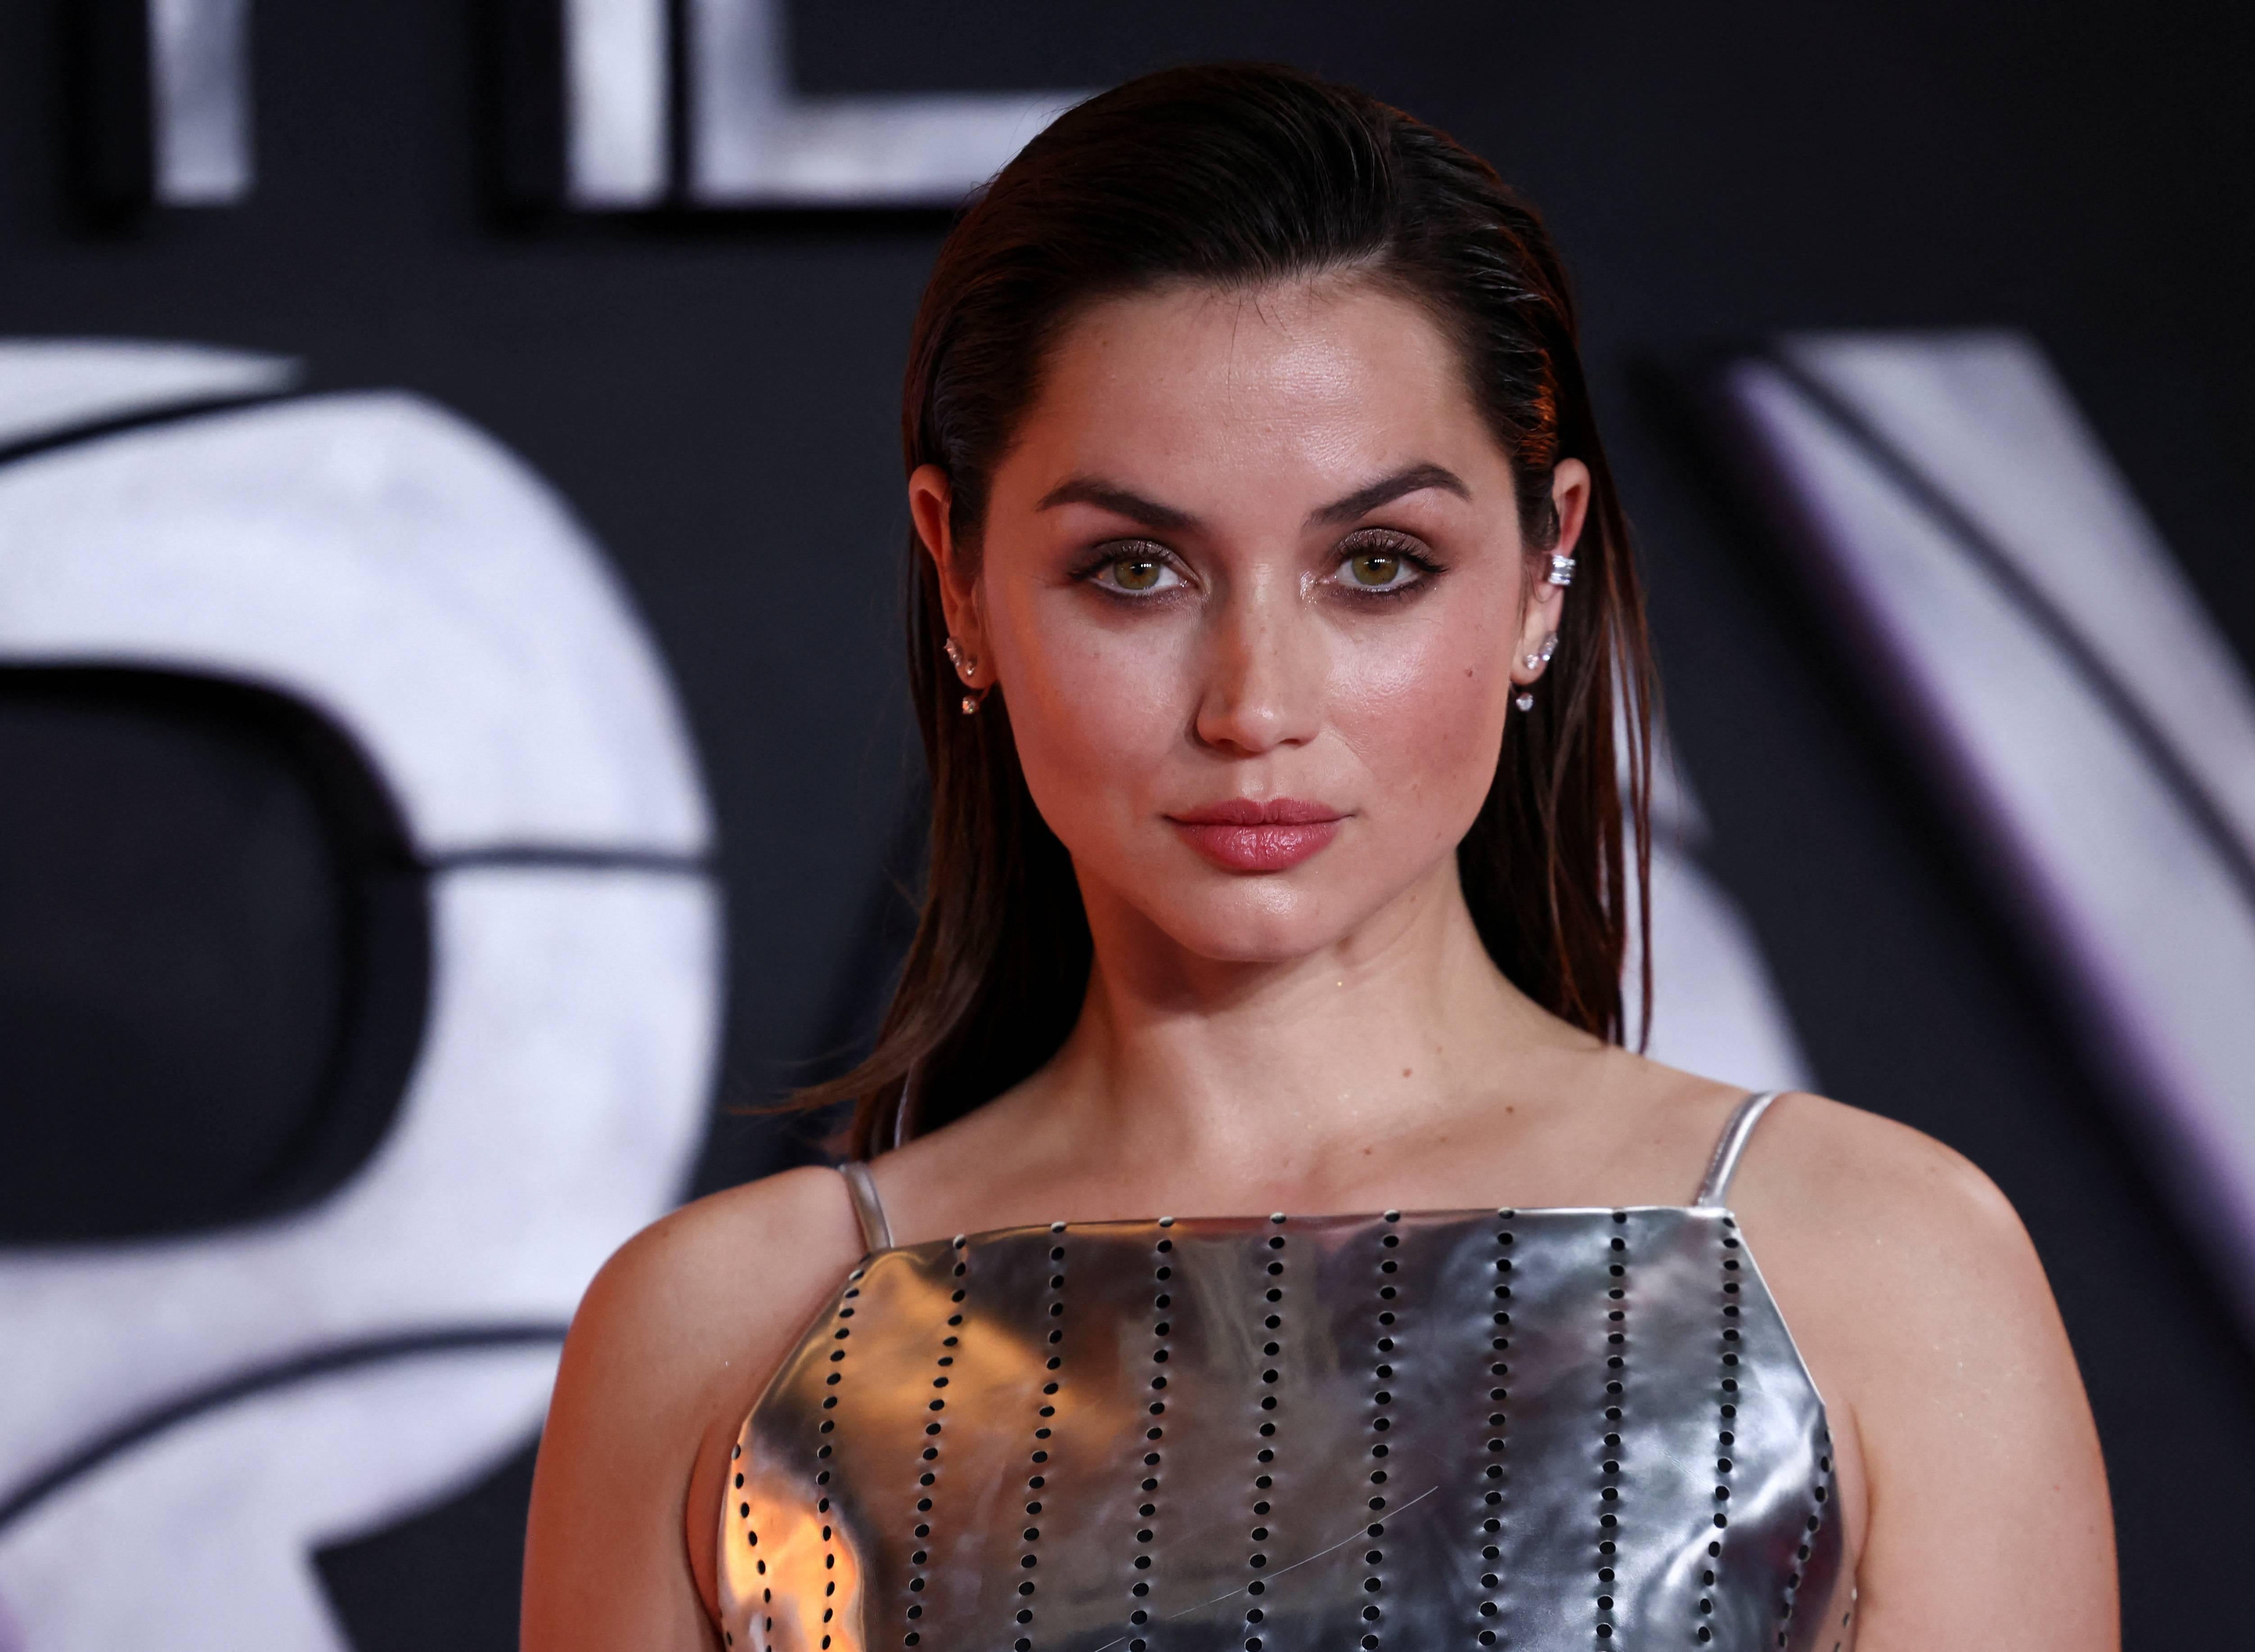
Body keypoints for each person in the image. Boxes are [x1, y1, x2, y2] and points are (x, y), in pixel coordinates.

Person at [522, 64, 2116, 1652]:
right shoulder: (718, 1335)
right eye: (1133, 569)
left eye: (1376, 564)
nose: (1255, 704)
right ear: (960, 579)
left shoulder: (1880, 1270)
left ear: (1542, 572)